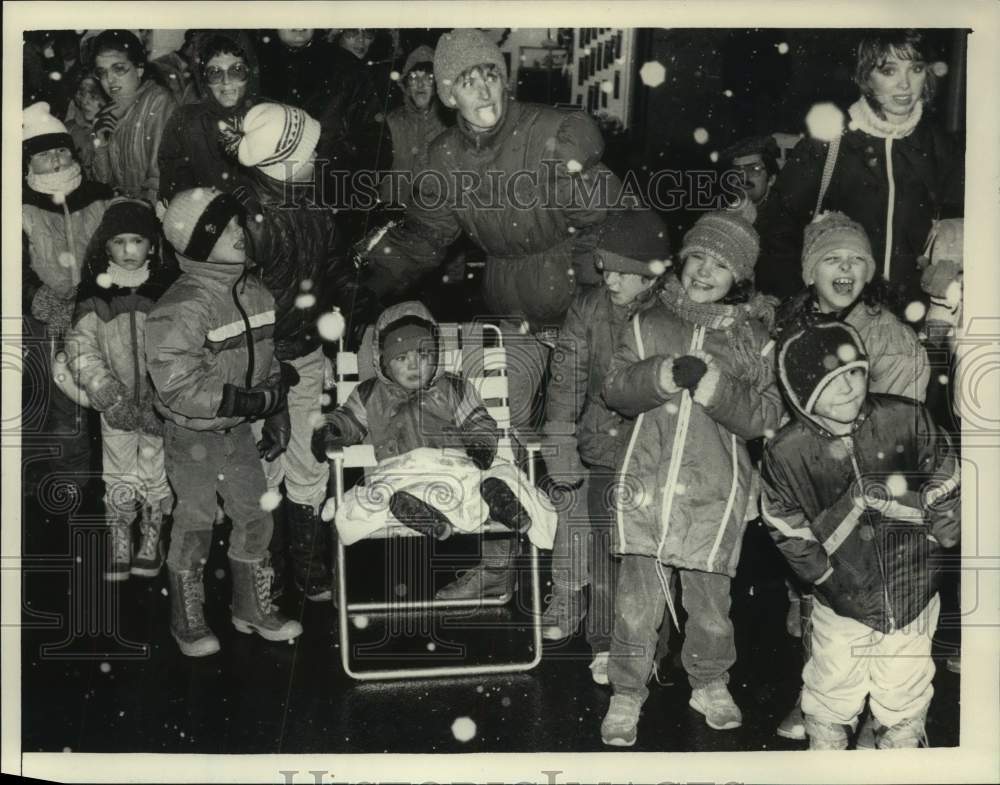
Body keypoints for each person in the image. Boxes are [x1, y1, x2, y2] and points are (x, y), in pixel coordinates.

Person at [360, 28, 619, 601]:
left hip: (580, 313)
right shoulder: (447, 158)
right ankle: (498, 568)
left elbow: (608, 224)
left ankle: (576, 586)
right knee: (497, 435)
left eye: (490, 74)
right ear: (448, 95)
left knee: (571, 447)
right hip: (511, 313)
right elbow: (427, 236)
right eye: (466, 80)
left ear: (505, 78)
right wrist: (365, 276)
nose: (483, 88)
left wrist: (586, 302)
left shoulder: (551, 135)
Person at [599, 212, 785, 746]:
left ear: (741, 277)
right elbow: (615, 388)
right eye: (699, 256)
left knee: (710, 605)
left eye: (722, 264)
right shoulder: (644, 322)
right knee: (636, 604)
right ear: (682, 259)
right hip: (646, 486)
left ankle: (709, 681)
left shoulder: (755, 342)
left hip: (714, 492)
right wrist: (658, 374)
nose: (706, 270)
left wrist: (717, 389)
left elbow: (767, 416)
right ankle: (627, 691)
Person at [761, 320, 960, 749]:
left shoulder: (903, 417)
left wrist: (943, 520)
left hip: (913, 581)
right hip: (842, 590)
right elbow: (783, 521)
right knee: (834, 673)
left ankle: (900, 740)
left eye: (855, 372)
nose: (851, 387)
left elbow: (943, 466)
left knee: (905, 672)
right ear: (803, 394)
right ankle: (828, 744)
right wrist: (821, 574)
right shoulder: (787, 452)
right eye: (833, 380)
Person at [772, 210, 931, 742]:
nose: (845, 268)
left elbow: (904, 432)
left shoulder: (887, 336)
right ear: (809, 270)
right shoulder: (789, 323)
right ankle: (822, 697)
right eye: (832, 258)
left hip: (872, 495)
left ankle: (878, 716)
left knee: (872, 598)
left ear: (871, 271)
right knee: (819, 597)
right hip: (814, 487)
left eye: (857, 259)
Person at [145, 187, 302, 657]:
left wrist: (275, 410)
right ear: (197, 243)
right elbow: (176, 384)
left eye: (238, 224)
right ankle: (187, 618)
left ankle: (250, 605)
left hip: (236, 430)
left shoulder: (256, 292)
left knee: (255, 514)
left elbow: (269, 364)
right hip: (191, 433)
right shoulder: (183, 305)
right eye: (227, 227)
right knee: (194, 520)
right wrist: (247, 401)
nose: (241, 232)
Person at [541, 208, 667, 686]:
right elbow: (569, 375)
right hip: (600, 443)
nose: (608, 278)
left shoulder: (668, 313)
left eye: (620, 271)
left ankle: (646, 642)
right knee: (601, 546)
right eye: (604, 267)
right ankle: (604, 642)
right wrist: (559, 436)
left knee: (646, 551)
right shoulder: (589, 308)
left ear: (650, 273)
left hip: (651, 449)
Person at [311, 301, 553, 547]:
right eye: (402, 357)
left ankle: (502, 500)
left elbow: (478, 420)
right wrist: (332, 429)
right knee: (381, 494)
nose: (414, 365)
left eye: (423, 355)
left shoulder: (453, 388)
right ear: (383, 362)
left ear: (436, 354)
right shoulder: (370, 394)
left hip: (455, 466)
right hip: (403, 471)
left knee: (499, 475)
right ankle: (421, 515)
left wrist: (481, 444)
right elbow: (348, 419)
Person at [229, 101, 343, 602]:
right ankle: (266, 561)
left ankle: (307, 558)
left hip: (306, 352)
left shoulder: (313, 206)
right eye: (309, 151)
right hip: (259, 363)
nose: (317, 158)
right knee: (263, 462)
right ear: (285, 160)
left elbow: (330, 273)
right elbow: (242, 303)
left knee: (309, 456)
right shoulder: (248, 219)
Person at [757, 29, 964, 303]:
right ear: (866, 76)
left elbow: (963, 226)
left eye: (915, 68)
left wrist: (953, 267)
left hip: (914, 318)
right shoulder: (828, 143)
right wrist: (799, 303)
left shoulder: (940, 148)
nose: (905, 84)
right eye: (889, 71)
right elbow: (779, 230)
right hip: (840, 314)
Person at [64, 198, 176, 581]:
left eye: (138, 241)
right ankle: (119, 535)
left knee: (155, 467)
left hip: (160, 403)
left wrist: (166, 396)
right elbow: (80, 346)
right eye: (119, 242)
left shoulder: (167, 288)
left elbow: (182, 345)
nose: (129, 251)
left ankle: (151, 533)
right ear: (105, 246)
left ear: (152, 245)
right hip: (116, 403)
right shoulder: (95, 292)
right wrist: (106, 391)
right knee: (119, 469)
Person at [22, 101, 112, 495]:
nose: (56, 160)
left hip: (94, 315)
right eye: (44, 154)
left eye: (61, 150)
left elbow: (118, 251)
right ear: (29, 163)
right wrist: (39, 298)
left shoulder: (99, 197)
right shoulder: (20, 207)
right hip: (43, 322)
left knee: (89, 404)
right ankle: (43, 484)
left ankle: (87, 486)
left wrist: (94, 300)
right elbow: (15, 270)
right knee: (50, 402)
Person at [256, 28, 385, 176]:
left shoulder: (347, 67)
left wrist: (350, 187)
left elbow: (376, 142)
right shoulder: (251, 65)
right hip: (267, 189)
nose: (299, 25)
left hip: (331, 189)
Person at [158, 30, 261, 200]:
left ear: (250, 73)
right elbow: (175, 192)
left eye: (237, 70)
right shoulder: (185, 122)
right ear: (203, 78)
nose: (226, 82)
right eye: (215, 73)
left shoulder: (267, 117)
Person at [89, 29, 177, 203]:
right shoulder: (108, 114)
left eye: (118, 69)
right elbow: (102, 187)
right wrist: (101, 146)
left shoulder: (158, 101)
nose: (109, 79)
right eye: (102, 72)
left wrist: (140, 215)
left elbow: (160, 177)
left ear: (139, 69)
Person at [379, 44, 449, 207]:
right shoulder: (391, 122)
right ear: (406, 85)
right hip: (393, 210)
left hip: (435, 215)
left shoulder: (449, 124)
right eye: (413, 77)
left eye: (428, 78)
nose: (420, 84)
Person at [719, 134, 780, 225]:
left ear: (771, 179)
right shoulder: (723, 215)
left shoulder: (779, 222)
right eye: (737, 170)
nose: (743, 177)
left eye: (754, 169)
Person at [64, 74, 108, 182]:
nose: (84, 102)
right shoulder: (69, 130)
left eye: (93, 96)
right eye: (82, 95)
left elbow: (104, 180)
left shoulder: (116, 131)